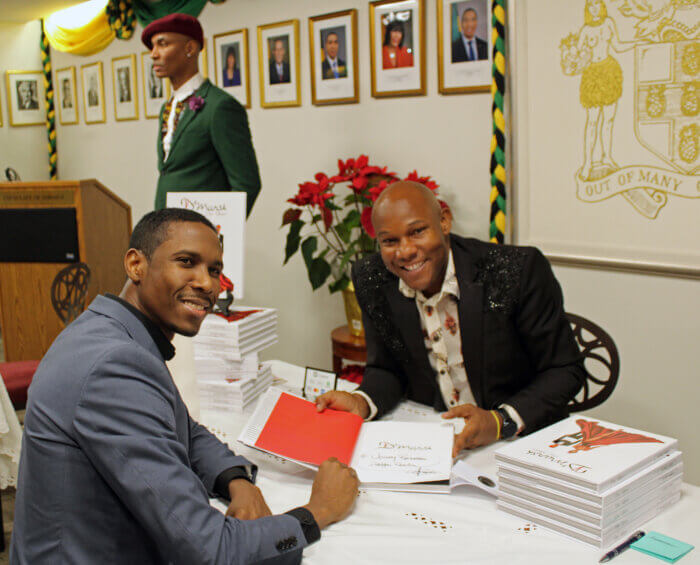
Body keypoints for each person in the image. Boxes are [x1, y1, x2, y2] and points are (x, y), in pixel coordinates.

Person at [11, 208, 359, 564]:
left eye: (214, 270)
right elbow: (210, 550)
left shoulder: (113, 332)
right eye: (186, 261)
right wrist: (317, 513)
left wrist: (236, 480)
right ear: (136, 265)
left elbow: (181, 427)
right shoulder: (113, 364)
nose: (207, 283)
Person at [317, 182, 585, 456]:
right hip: (434, 441)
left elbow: (565, 370)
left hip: (517, 439)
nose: (405, 251)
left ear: (444, 221)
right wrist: (361, 402)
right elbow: (387, 368)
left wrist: (499, 421)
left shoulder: (517, 270)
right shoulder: (372, 278)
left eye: (417, 231)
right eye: (390, 241)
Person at [143, 13, 261, 215]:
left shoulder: (220, 106)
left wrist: (221, 233)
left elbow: (246, 183)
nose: (154, 54)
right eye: (152, 46)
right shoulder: (167, 108)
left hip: (201, 234)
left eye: (162, 44)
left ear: (190, 48)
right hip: (165, 230)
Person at [575, 0, 632, 181]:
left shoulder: (609, 23)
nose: (594, 8)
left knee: (609, 119)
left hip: (608, 70)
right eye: (590, 5)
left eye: (597, 4)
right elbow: (578, 55)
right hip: (593, 73)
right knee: (592, 121)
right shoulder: (584, 30)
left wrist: (637, 43)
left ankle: (607, 156)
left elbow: (618, 45)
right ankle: (587, 162)